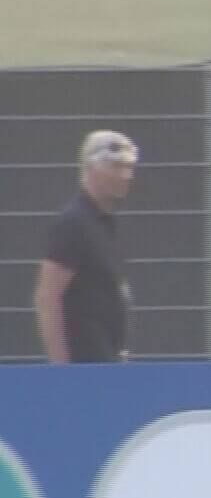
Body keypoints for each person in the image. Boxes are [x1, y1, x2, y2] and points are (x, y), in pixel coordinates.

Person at [35, 129, 138, 364]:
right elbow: (48, 296)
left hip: (107, 363)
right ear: (91, 168)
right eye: (117, 167)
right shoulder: (74, 223)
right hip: (84, 368)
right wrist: (62, 368)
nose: (126, 175)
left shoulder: (104, 224)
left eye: (129, 167)